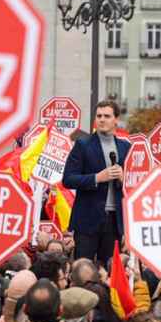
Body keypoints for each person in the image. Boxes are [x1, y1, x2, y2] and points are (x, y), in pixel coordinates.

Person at [63, 100, 130, 266]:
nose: (101, 119)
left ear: (116, 119)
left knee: (110, 269)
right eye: (99, 116)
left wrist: (124, 180)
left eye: (107, 116)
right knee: (83, 268)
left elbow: (135, 185)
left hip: (115, 222)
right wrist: (96, 178)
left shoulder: (126, 147)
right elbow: (68, 179)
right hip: (87, 220)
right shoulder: (83, 144)